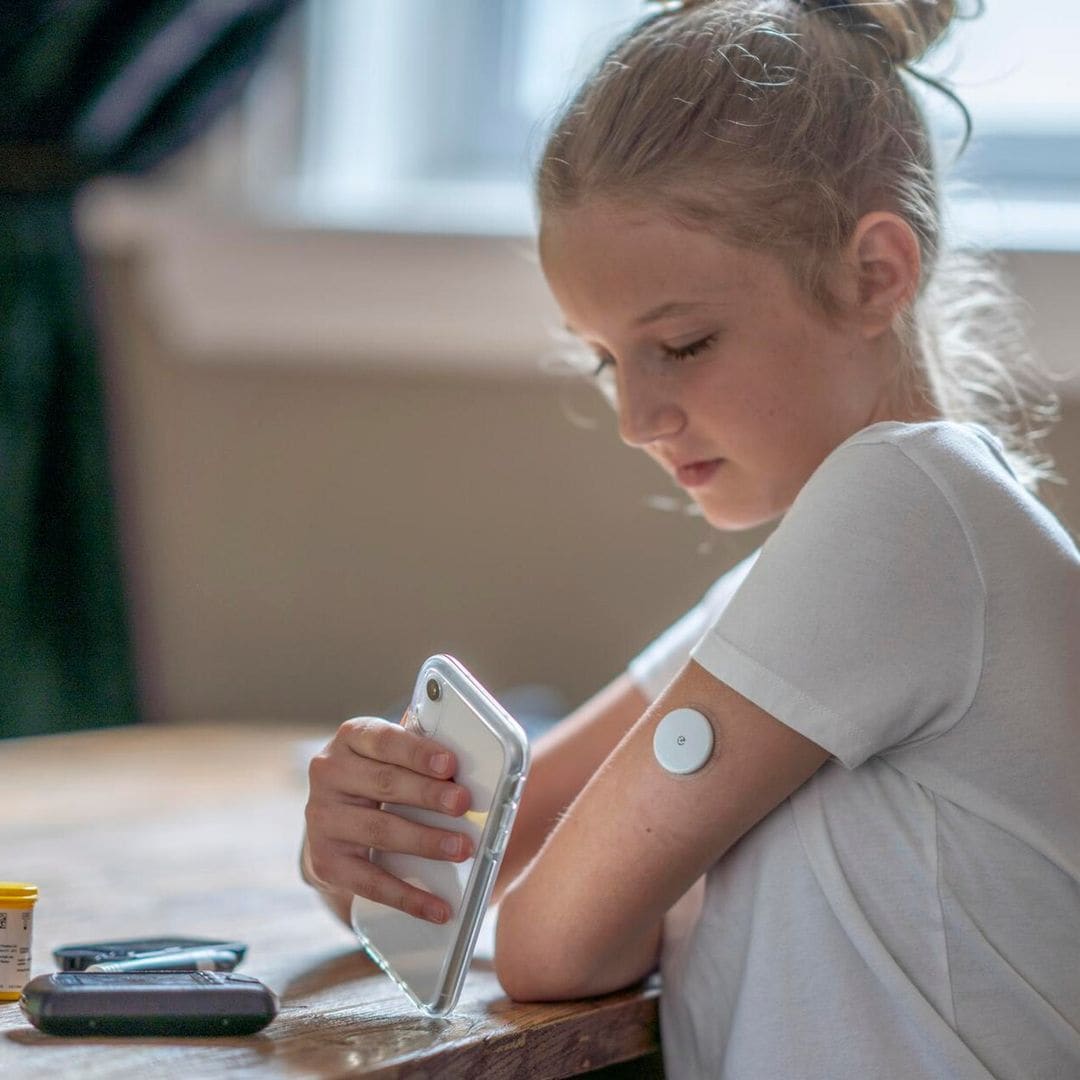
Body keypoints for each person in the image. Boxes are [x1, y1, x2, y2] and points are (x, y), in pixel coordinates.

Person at [301, 1, 1080, 1076]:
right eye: (606, 361)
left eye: (682, 343)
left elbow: (548, 942)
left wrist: (503, 893)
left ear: (875, 274)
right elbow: (500, 848)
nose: (636, 417)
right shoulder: (812, 576)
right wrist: (363, 857)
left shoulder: (905, 506)